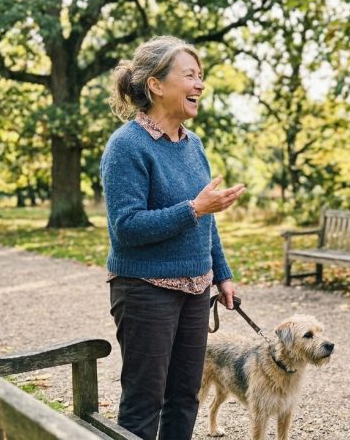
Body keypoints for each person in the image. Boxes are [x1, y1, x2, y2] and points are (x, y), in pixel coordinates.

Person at [102, 35, 245, 440]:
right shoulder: (127, 147)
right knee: (145, 400)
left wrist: (223, 273)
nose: (200, 84)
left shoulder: (192, 144)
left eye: (201, 77)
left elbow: (206, 219)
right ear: (156, 85)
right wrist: (194, 208)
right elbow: (126, 228)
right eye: (190, 76)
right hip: (146, 290)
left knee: (185, 395)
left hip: (197, 289)